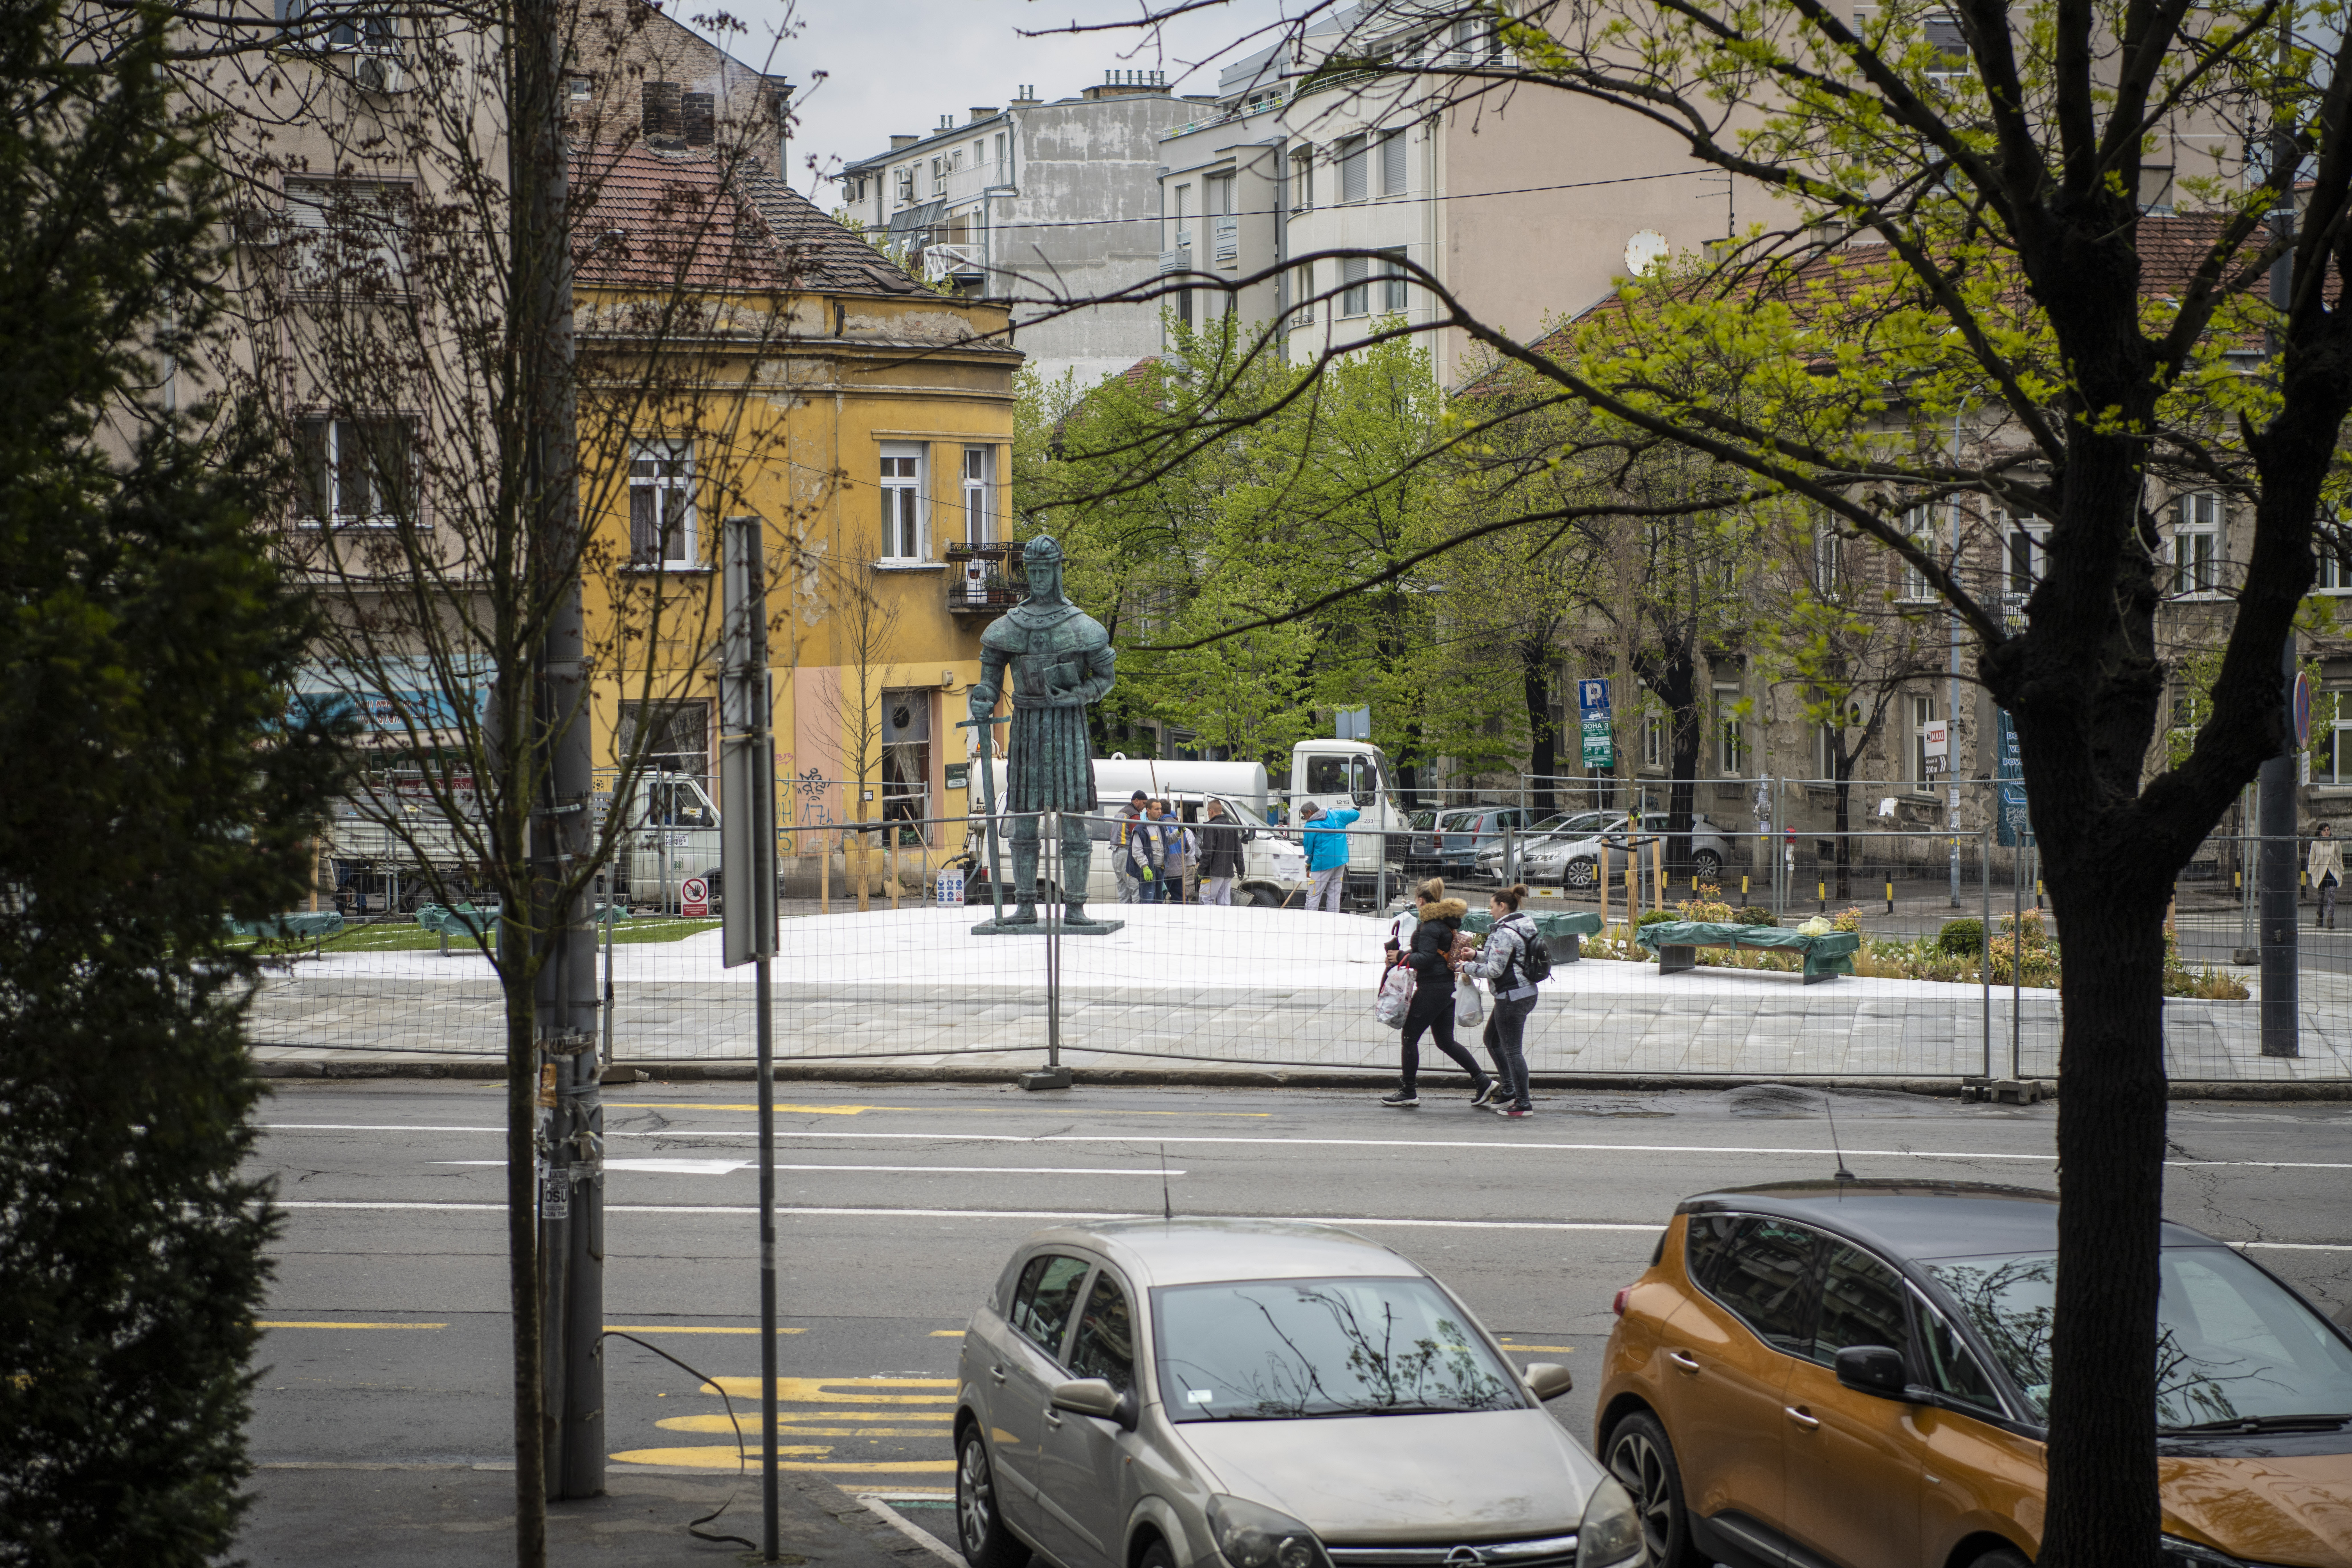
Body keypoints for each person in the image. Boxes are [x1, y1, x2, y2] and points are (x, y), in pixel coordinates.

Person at [1383, 879, 1494, 1109]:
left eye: (1416, 901)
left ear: (1421, 901)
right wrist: (1404, 955)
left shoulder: (1429, 925)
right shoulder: (1444, 923)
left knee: (1410, 1037)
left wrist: (1401, 958)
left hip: (1432, 988)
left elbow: (1424, 960)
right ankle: (1484, 1083)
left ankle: (1409, 1091)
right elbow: (1432, 954)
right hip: (1446, 989)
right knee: (1445, 1041)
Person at [1464, 884, 1544, 1118]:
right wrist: (1475, 955)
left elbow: (1495, 970)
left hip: (1512, 997)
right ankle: (1509, 1090)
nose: (1490, 912)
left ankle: (1523, 1103)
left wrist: (1465, 966)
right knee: (1492, 1040)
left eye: (1491, 907)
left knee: (1512, 1051)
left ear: (1502, 906)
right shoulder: (1522, 925)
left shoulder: (1505, 932)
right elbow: (1508, 959)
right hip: (1524, 992)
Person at [1301, 801, 1358, 913]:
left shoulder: (1310, 826)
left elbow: (1308, 848)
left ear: (1310, 812)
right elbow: (1356, 814)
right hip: (1340, 861)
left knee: (1314, 894)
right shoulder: (1336, 815)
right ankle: (1333, 921)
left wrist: (1309, 863)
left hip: (1322, 864)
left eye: (1305, 816)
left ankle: (1309, 920)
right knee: (1334, 894)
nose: (1305, 818)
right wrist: (1338, 813)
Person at [1196, 798, 1251, 906]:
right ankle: (1224, 923)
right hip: (1228, 873)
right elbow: (1238, 851)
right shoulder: (1232, 827)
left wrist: (1201, 870)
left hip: (1213, 872)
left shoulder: (1211, 826)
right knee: (1225, 903)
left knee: (1205, 901)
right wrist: (1241, 869)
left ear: (1211, 811)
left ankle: (1210, 923)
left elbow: (1208, 852)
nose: (1208, 814)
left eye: (1208, 812)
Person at [1129, 798, 1169, 904]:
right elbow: (1137, 851)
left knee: (1159, 900)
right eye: (1157, 809)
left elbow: (1168, 842)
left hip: (1160, 869)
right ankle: (1146, 920)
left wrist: (1179, 834)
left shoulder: (1162, 825)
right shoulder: (1141, 829)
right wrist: (1145, 867)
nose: (1160, 812)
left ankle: (1156, 920)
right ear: (1149, 810)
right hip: (1149, 870)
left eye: (1160, 809)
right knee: (1148, 900)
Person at [1112, 790, 1148, 903]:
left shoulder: (1121, 812)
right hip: (1126, 853)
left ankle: (1124, 916)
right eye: (1143, 803)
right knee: (1135, 888)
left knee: (1123, 890)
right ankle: (1136, 916)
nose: (1144, 807)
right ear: (1136, 801)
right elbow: (1138, 834)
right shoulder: (1134, 814)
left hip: (1115, 853)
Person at [1161, 801, 1195, 904]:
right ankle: (1184, 917)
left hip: (1167, 869)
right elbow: (1188, 849)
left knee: (1159, 898)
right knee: (1181, 899)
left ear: (1161, 810)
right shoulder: (1180, 826)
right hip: (1180, 868)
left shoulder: (1160, 824)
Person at [2312, 822, 2343, 931]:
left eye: (2328, 830)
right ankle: (2320, 916)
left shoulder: (2335, 842)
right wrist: (2312, 871)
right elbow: (2312, 858)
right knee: (2320, 897)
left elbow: (2340, 857)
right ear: (2320, 832)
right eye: (2325, 830)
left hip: (2333, 872)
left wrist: (2341, 869)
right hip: (2321, 872)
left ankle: (2330, 919)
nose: (2327, 832)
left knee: (2332, 895)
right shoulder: (2316, 843)